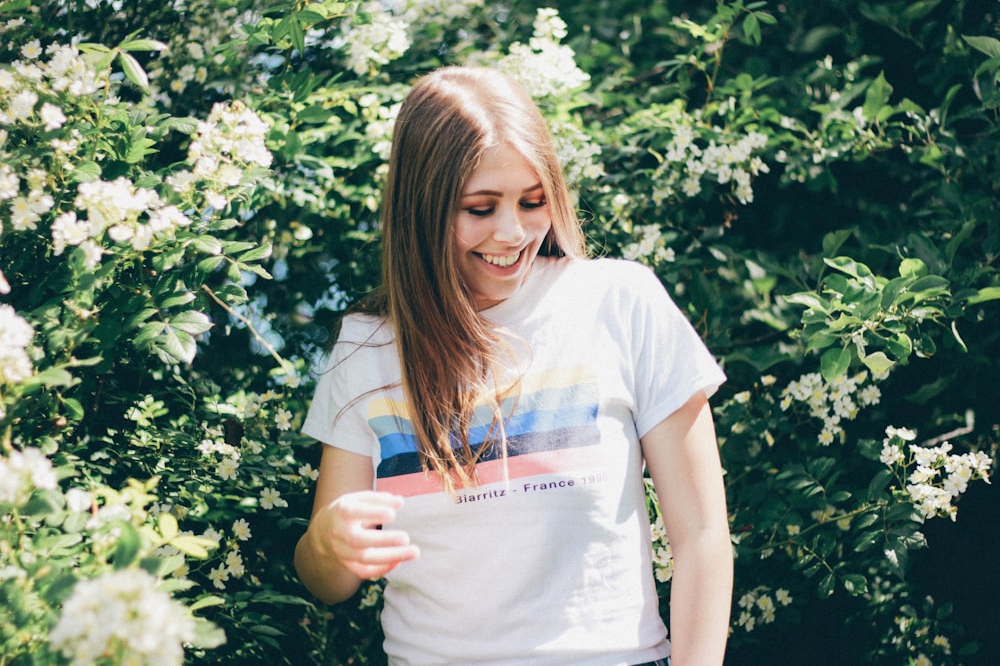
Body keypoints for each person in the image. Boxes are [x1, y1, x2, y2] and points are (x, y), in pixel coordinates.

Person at [294, 65, 733, 666]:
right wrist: (327, 543)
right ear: (421, 210)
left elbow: (703, 537)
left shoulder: (621, 302)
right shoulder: (366, 346)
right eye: (479, 208)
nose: (512, 232)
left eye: (533, 202)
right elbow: (328, 582)